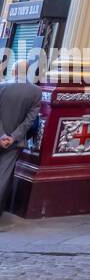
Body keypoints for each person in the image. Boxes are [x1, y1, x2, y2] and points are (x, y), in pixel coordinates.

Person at [0, 61, 40, 220]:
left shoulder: (2, 87)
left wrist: (2, 135)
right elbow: (29, 121)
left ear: (14, 70)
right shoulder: (36, 91)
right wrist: (13, 137)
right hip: (14, 143)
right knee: (4, 175)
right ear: (29, 72)